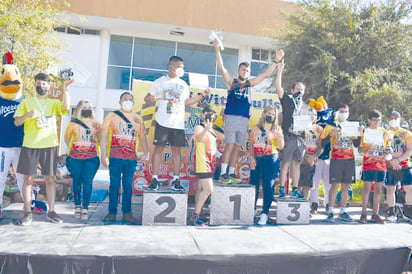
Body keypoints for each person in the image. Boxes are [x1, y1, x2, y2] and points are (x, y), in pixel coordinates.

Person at [213, 39, 284, 183]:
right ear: (238, 70)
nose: (245, 72)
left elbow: (264, 76)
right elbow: (221, 68)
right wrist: (217, 49)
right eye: (243, 70)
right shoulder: (231, 82)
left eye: (247, 70)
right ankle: (223, 174)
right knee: (230, 145)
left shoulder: (249, 84)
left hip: (244, 119)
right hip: (232, 117)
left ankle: (231, 173)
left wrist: (276, 61)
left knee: (238, 147)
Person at [144, 56, 210, 191]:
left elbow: (187, 102)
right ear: (171, 66)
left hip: (178, 123)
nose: (182, 69)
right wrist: (149, 98)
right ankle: (155, 179)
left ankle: (176, 179)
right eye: (180, 66)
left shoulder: (183, 84)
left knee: (177, 151)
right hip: (162, 121)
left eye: (183, 67)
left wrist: (202, 96)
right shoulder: (160, 82)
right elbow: (147, 98)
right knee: (158, 150)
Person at [14, 72, 72, 225]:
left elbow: (65, 107)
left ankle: (51, 211)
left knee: (50, 179)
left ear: (49, 86)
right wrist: (28, 115)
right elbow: (17, 122)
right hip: (30, 145)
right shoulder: (27, 102)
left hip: (49, 145)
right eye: (38, 84)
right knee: (28, 180)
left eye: (44, 84)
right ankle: (27, 213)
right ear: (35, 85)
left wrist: (65, 89)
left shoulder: (52, 103)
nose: (41, 87)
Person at [101, 92, 149, 223]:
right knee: (114, 185)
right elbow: (103, 135)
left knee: (128, 185)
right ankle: (111, 213)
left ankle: (127, 212)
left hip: (131, 158)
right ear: (120, 102)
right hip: (115, 157)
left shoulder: (138, 118)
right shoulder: (112, 116)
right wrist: (103, 155)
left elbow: (143, 136)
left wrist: (145, 152)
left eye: (130, 100)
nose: (128, 101)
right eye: (125, 99)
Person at [320, 104, 361, 222]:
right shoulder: (331, 126)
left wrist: (358, 135)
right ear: (337, 113)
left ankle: (343, 211)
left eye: (346, 111)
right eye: (341, 111)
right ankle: (331, 210)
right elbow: (322, 143)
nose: (343, 113)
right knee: (334, 185)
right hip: (336, 158)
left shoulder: (351, 126)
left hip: (349, 159)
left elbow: (357, 145)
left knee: (346, 185)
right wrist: (329, 135)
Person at [65, 100, 101, 220]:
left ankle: (85, 207)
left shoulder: (96, 124)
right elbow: (67, 139)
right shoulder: (73, 124)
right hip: (75, 157)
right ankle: (77, 206)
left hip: (91, 157)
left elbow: (100, 139)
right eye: (84, 107)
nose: (87, 109)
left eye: (89, 107)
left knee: (87, 181)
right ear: (79, 109)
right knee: (76, 181)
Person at [275, 60, 305, 199]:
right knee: (285, 162)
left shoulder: (305, 106)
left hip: (300, 138)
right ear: (292, 90)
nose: (300, 91)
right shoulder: (287, 99)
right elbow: (278, 89)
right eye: (297, 89)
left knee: (297, 164)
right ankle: (282, 187)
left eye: (302, 90)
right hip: (288, 135)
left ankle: (295, 188)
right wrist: (279, 71)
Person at [249, 105, 284, 225]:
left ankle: (265, 212)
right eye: (269, 113)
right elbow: (251, 144)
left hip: (271, 159)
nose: (271, 116)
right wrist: (252, 157)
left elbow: (281, 146)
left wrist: (279, 138)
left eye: (273, 114)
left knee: (268, 185)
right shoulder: (256, 128)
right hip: (257, 159)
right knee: (254, 184)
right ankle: (252, 209)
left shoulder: (277, 129)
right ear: (264, 114)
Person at [0, 52, 24, 219]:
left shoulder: (24, 101)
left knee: (23, 178)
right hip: (1, 146)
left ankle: (29, 205)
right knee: (0, 178)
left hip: (20, 146)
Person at [358, 110, 390, 224]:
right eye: (374, 120)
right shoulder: (365, 132)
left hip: (381, 164)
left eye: (378, 120)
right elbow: (360, 149)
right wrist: (368, 147)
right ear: (369, 120)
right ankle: (363, 214)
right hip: (368, 163)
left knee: (378, 190)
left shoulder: (384, 132)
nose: (376, 122)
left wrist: (387, 151)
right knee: (367, 189)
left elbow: (388, 147)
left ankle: (375, 214)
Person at [384, 111, 412, 222]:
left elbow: (410, 150)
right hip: (389, 166)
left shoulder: (407, 133)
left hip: (404, 165)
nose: (393, 120)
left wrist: (398, 160)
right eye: (391, 118)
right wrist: (391, 161)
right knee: (390, 188)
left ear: (400, 119)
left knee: (409, 188)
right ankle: (391, 212)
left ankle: (409, 213)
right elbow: (383, 149)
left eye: (395, 118)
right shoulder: (385, 133)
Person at [193, 105, 218, 226]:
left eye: (213, 113)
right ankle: (196, 215)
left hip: (211, 162)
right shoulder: (200, 127)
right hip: (202, 162)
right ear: (203, 114)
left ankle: (199, 213)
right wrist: (206, 128)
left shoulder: (213, 131)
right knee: (208, 190)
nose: (211, 115)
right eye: (208, 112)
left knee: (202, 189)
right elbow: (198, 139)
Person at [298, 108, 323, 200]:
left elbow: (321, 147)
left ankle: (305, 205)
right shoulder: (300, 127)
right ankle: (297, 202)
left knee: (307, 185)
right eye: (310, 114)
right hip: (300, 159)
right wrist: (303, 155)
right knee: (298, 183)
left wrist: (313, 157)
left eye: (315, 115)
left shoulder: (319, 129)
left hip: (311, 160)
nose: (312, 116)